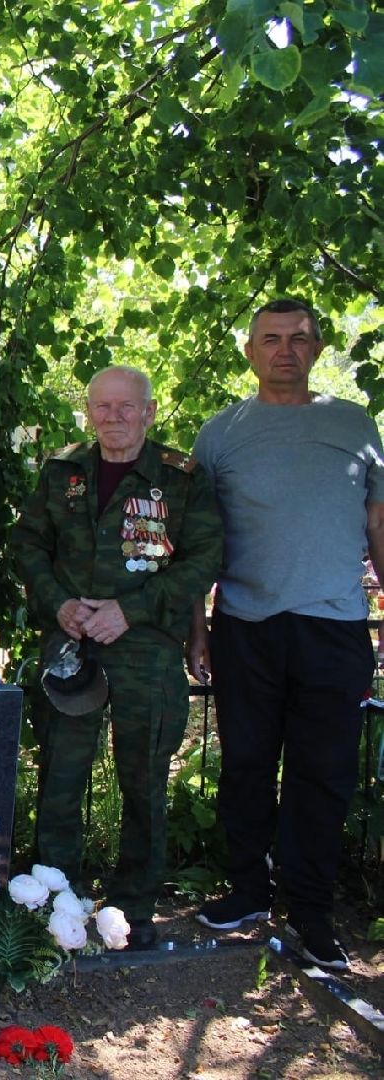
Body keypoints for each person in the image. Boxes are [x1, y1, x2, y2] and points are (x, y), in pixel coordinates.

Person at [187, 298, 384, 971]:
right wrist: (197, 626)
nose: (285, 351)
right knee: (244, 765)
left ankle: (312, 910)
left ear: (319, 347)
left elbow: (379, 527)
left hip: (335, 629)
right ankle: (246, 890)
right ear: (250, 350)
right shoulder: (220, 434)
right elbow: (196, 543)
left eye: (299, 339)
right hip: (247, 626)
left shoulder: (356, 427)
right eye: (271, 339)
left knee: (323, 774)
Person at [12, 365, 221, 949]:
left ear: (149, 412)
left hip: (145, 648)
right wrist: (59, 605)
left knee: (144, 779)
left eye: (126, 407)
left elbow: (202, 560)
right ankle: (55, 903)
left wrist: (129, 611)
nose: (113, 417)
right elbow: (28, 544)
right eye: (102, 406)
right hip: (71, 643)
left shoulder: (181, 479)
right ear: (89, 410)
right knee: (61, 774)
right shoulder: (63, 471)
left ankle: (132, 911)